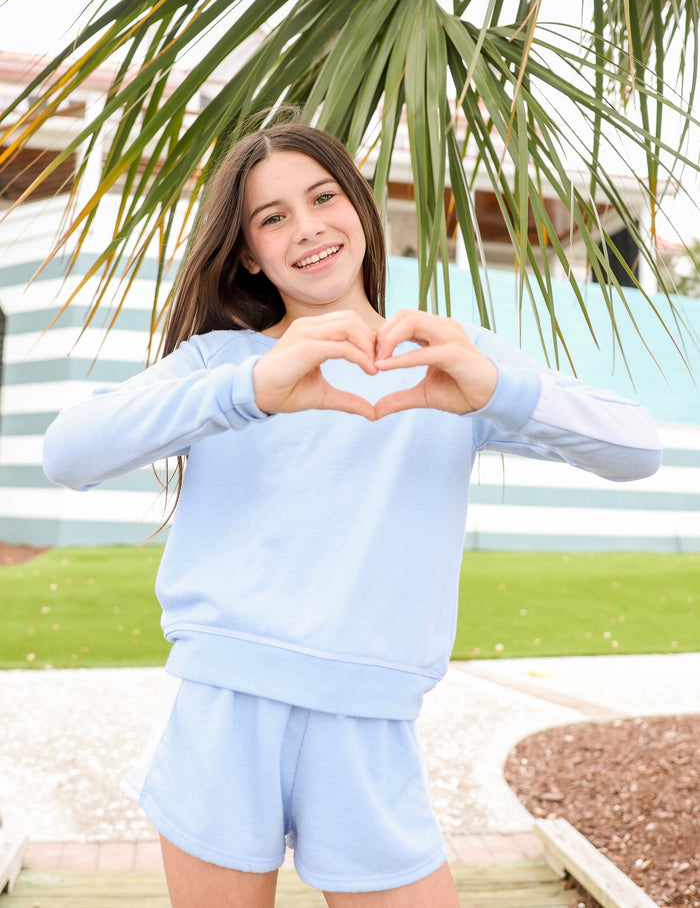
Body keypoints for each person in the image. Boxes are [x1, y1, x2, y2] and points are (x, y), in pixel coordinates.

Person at [43, 120, 663, 908]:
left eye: (323, 198)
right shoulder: (223, 366)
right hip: (223, 712)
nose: (306, 229)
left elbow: (637, 449)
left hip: (370, 726)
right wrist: (251, 391)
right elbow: (69, 454)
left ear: (360, 208)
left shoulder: (448, 359)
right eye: (272, 218)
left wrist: (496, 388)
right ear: (247, 253)